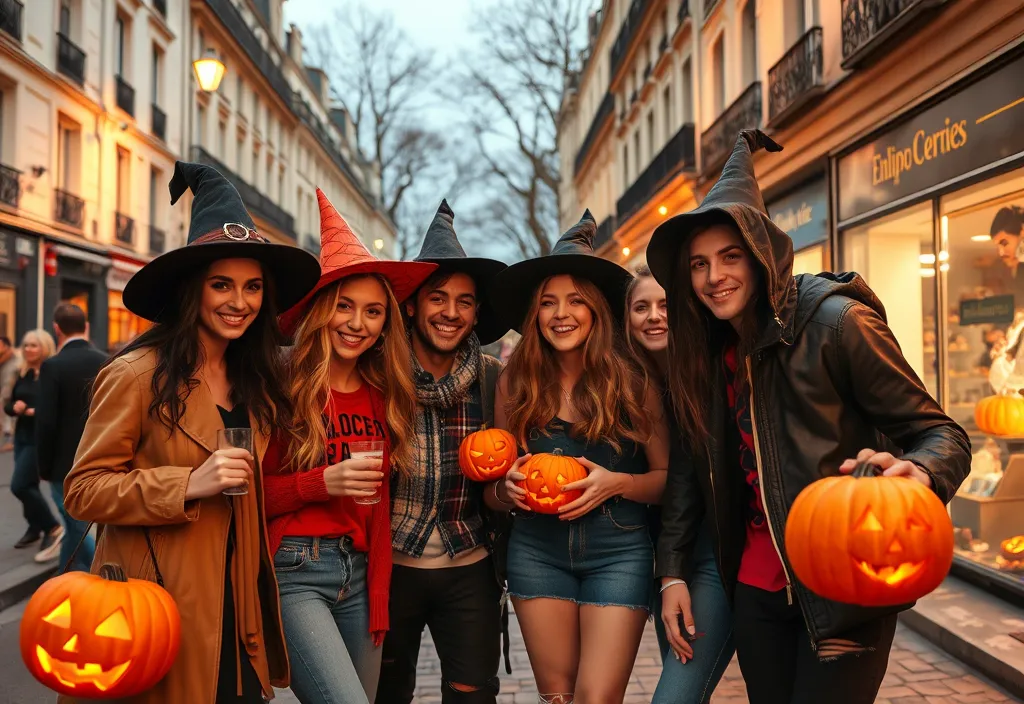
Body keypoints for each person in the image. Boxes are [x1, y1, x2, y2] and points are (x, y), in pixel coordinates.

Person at [647, 130, 971, 704]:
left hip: (846, 584)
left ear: (762, 255)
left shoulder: (837, 325)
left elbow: (941, 434)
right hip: (754, 591)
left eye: (730, 257)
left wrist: (919, 473)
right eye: (699, 264)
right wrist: (672, 573)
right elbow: (686, 479)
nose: (713, 276)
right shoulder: (702, 356)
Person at [63, 161, 321, 703]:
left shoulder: (255, 382)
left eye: (253, 287)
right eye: (221, 284)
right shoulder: (135, 375)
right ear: (192, 291)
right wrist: (185, 484)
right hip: (156, 605)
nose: (239, 301)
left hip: (237, 605)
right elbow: (83, 489)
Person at [485, 211, 670, 704]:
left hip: (619, 552)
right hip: (536, 553)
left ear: (595, 312)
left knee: (596, 697)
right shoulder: (514, 382)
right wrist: (505, 490)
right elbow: (491, 484)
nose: (560, 314)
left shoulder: (633, 381)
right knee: (559, 697)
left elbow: (668, 478)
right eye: (548, 303)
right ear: (535, 315)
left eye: (574, 302)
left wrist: (619, 484)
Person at [261, 189, 434, 704]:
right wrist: (320, 482)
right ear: (321, 309)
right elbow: (246, 498)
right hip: (294, 571)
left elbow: (376, 509)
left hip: (357, 575)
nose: (358, 324)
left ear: (387, 325)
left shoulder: (385, 396)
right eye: (345, 306)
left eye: (374, 312)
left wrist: (378, 595)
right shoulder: (281, 389)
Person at [376, 200, 510, 704]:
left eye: (465, 301)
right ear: (412, 305)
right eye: (438, 298)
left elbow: (501, 479)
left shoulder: (494, 379)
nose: (451, 312)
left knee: (474, 695)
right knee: (386, 694)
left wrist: (508, 489)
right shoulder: (379, 377)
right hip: (390, 571)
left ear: (476, 313)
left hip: (470, 567)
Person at [624, 266, 734, 704]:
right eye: (641, 307)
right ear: (626, 320)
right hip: (655, 552)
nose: (654, 316)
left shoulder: (712, 371)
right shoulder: (622, 384)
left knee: (677, 693)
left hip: (711, 551)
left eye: (665, 305)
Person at [34, 303, 106, 573]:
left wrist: (43, 466)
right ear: (85, 327)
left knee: (75, 523)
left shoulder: (53, 366)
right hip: (100, 454)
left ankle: (107, 567)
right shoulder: (104, 359)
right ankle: (66, 573)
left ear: (56, 329)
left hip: (63, 462)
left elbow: (46, 421)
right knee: (75, 524)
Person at [7, 329, 63, 562]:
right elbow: (8, 405)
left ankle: (52, 527)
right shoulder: (22, 373)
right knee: (28, 483)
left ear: (45, 348)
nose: (28, 349)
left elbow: (58, 409)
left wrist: (34, 412)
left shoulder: (51, 373)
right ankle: (35, 527)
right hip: (21, 436)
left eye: (34, 345)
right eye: (26, 345)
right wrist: (14, 408)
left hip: (38, 439)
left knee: (19, 486)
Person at [0, 335, 19, 454]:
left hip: (8, 396)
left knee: (9, 419)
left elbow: (8, 383)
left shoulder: (13, 362)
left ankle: (10, 441)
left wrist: (4, 398)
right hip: (6, 395)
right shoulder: (4, 360)